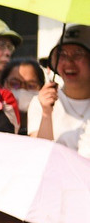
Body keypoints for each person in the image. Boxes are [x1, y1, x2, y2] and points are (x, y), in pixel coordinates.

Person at [29, 25, 90, 154]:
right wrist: (46, 113)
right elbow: (38, 154)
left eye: (78, 54)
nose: (69, 62)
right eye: (62, 54)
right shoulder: (40, 103)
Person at [0, 58, 44, 135]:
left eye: (31, 85)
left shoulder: (48, 120)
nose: (22, 90)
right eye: (15, 84)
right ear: (3, 84)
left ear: (42, 88)